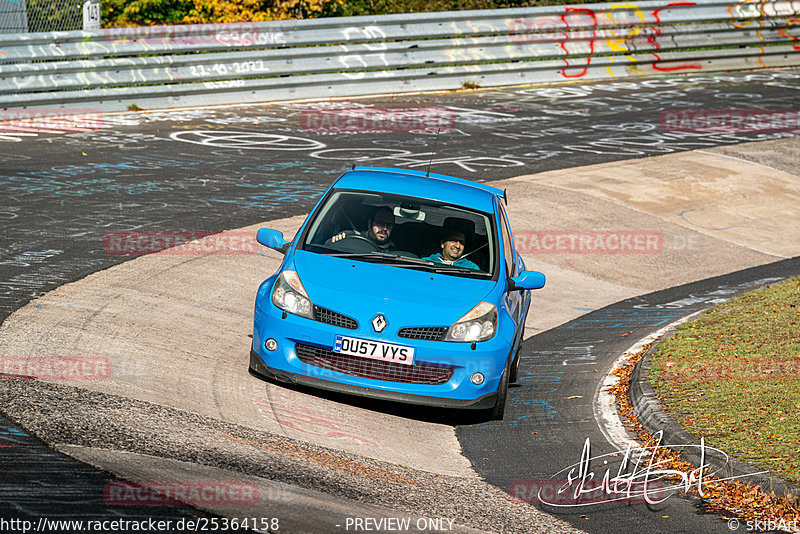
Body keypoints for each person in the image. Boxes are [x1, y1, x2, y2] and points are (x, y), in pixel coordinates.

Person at [330, 206, 396, 251]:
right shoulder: (350, 236)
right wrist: (336, 240)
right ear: (370, 223)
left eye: (389, 225)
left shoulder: (395, 249)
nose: (384, 228)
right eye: (380, 223)